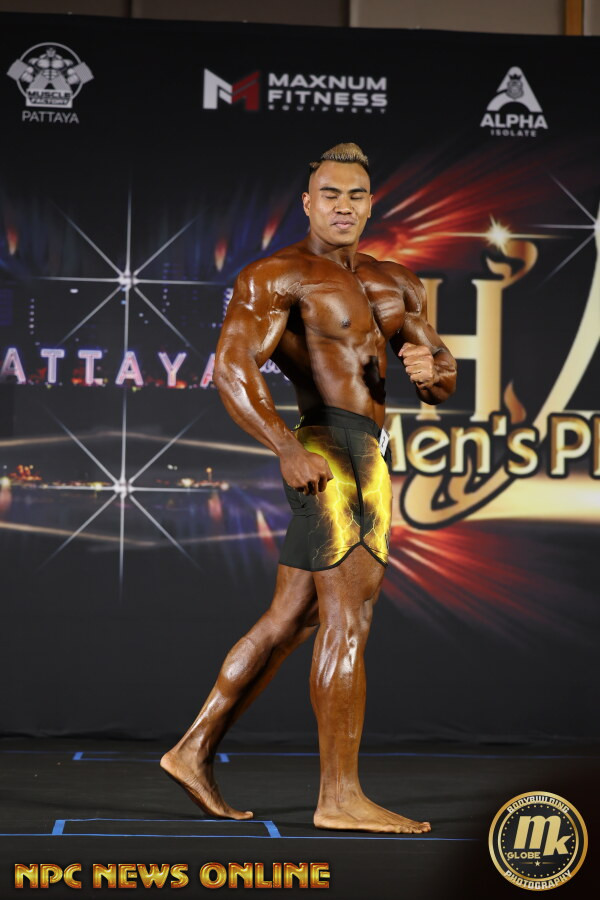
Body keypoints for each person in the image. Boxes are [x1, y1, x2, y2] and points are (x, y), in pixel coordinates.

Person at [161, 143, 457, 833]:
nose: (343, 206)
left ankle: (191, 750)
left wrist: (435, 369)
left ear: (370, 204)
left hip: (370, 451)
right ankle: (339, 796)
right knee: (349, 618)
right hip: (328, 447)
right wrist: (286, 447)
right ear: (308, 202)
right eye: (330, 194)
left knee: (291, 620)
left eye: (355, 195)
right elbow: (232, 367)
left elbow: (439, 378)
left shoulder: (397, 282)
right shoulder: (279, 275)